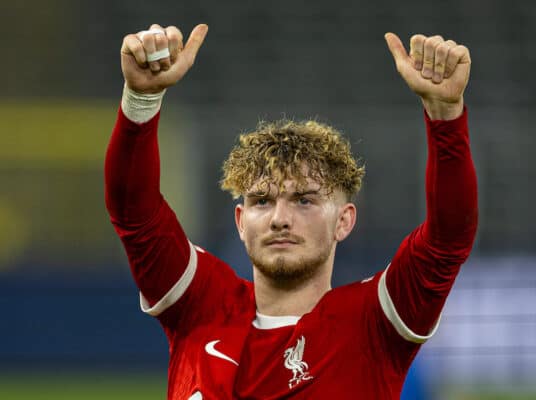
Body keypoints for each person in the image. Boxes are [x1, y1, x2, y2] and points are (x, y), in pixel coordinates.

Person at [105, 23, 477, 400]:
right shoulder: (201, 304)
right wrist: (141, 100)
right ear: (240, 222)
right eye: (261, 201)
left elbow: (447, 240)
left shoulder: (374, 322)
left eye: (304, 200)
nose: (280, 218)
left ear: (344, 221)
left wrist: (445, 115)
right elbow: (134, 212)